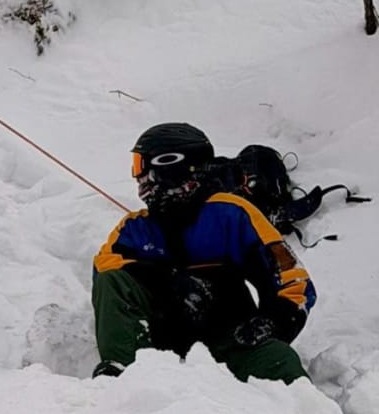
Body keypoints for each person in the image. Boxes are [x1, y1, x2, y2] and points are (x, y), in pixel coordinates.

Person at [92, 122, 315, 383]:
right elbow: (107, 271)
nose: (138, 177)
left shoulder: (231, 214)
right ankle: (122, 379)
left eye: (141, 165)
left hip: (232, 339)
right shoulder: (135, 228)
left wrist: (274, 322)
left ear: (170, 164)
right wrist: (169, 282)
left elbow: (291, 277)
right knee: (113, 280)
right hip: (159, 347)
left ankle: (299, 407)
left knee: (282, 365)